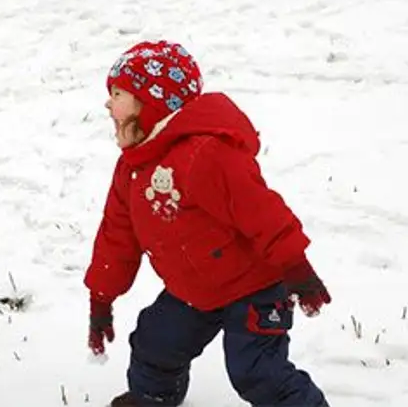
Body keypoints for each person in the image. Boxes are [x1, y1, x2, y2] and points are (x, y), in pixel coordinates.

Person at [84, 40, 332, 406]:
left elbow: (261, 211)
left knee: (257, 371)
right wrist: (101, 298)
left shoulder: (205, 154)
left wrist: (295, 266)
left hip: (255, 287)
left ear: (151, 104)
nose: (108, 104)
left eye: (118, 94)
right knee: (155, 344)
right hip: (195, 289)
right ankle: (153, 397)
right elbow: (116, 237)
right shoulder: (132, 169)